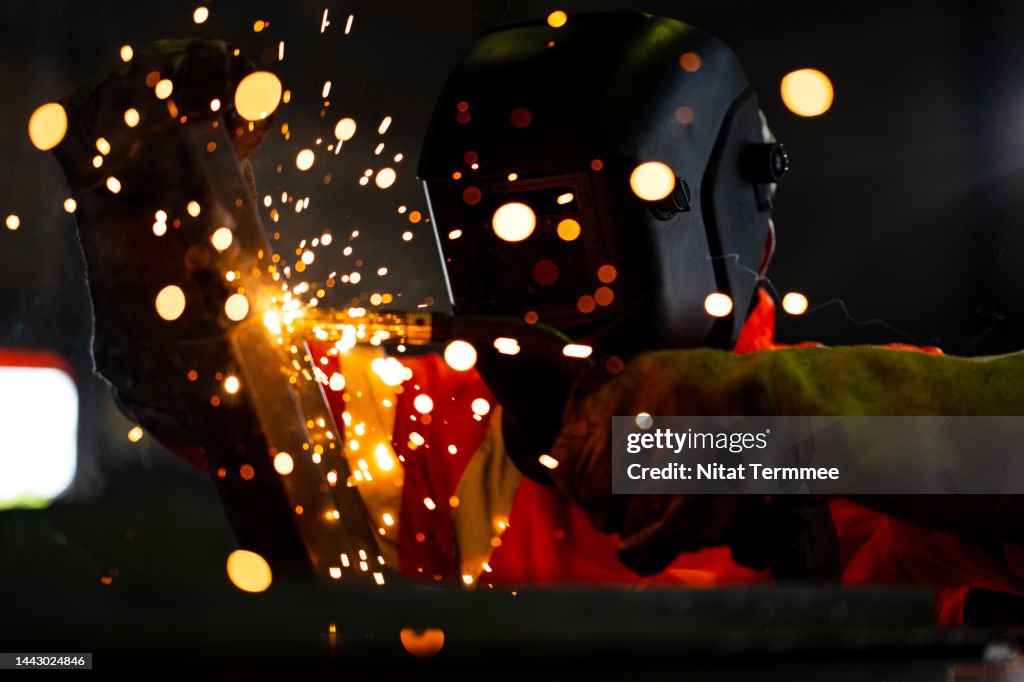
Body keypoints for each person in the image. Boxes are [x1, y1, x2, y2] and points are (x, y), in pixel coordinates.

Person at [51, 12, 1024, 626]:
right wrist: (152, 226)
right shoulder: (454, 420)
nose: (544, 265)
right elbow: (226, 392)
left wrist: (754, 432)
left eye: (573, 224)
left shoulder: (870, 427)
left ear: (735, 233)